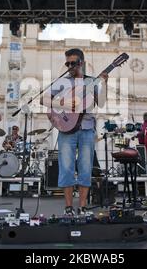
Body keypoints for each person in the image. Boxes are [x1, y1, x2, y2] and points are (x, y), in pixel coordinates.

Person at [42, 48, 108, 215]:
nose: (70, 66)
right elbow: (44, 99)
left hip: (86, 129)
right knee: (66, 168)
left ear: (82, 63)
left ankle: (83, 206)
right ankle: (69, 207)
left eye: (74, 63)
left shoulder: (91, 81)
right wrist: (63, 105)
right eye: (68, 63)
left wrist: (104, 83)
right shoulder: (62, 82)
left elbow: (100, 103)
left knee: (85, 168)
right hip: (66, 129)